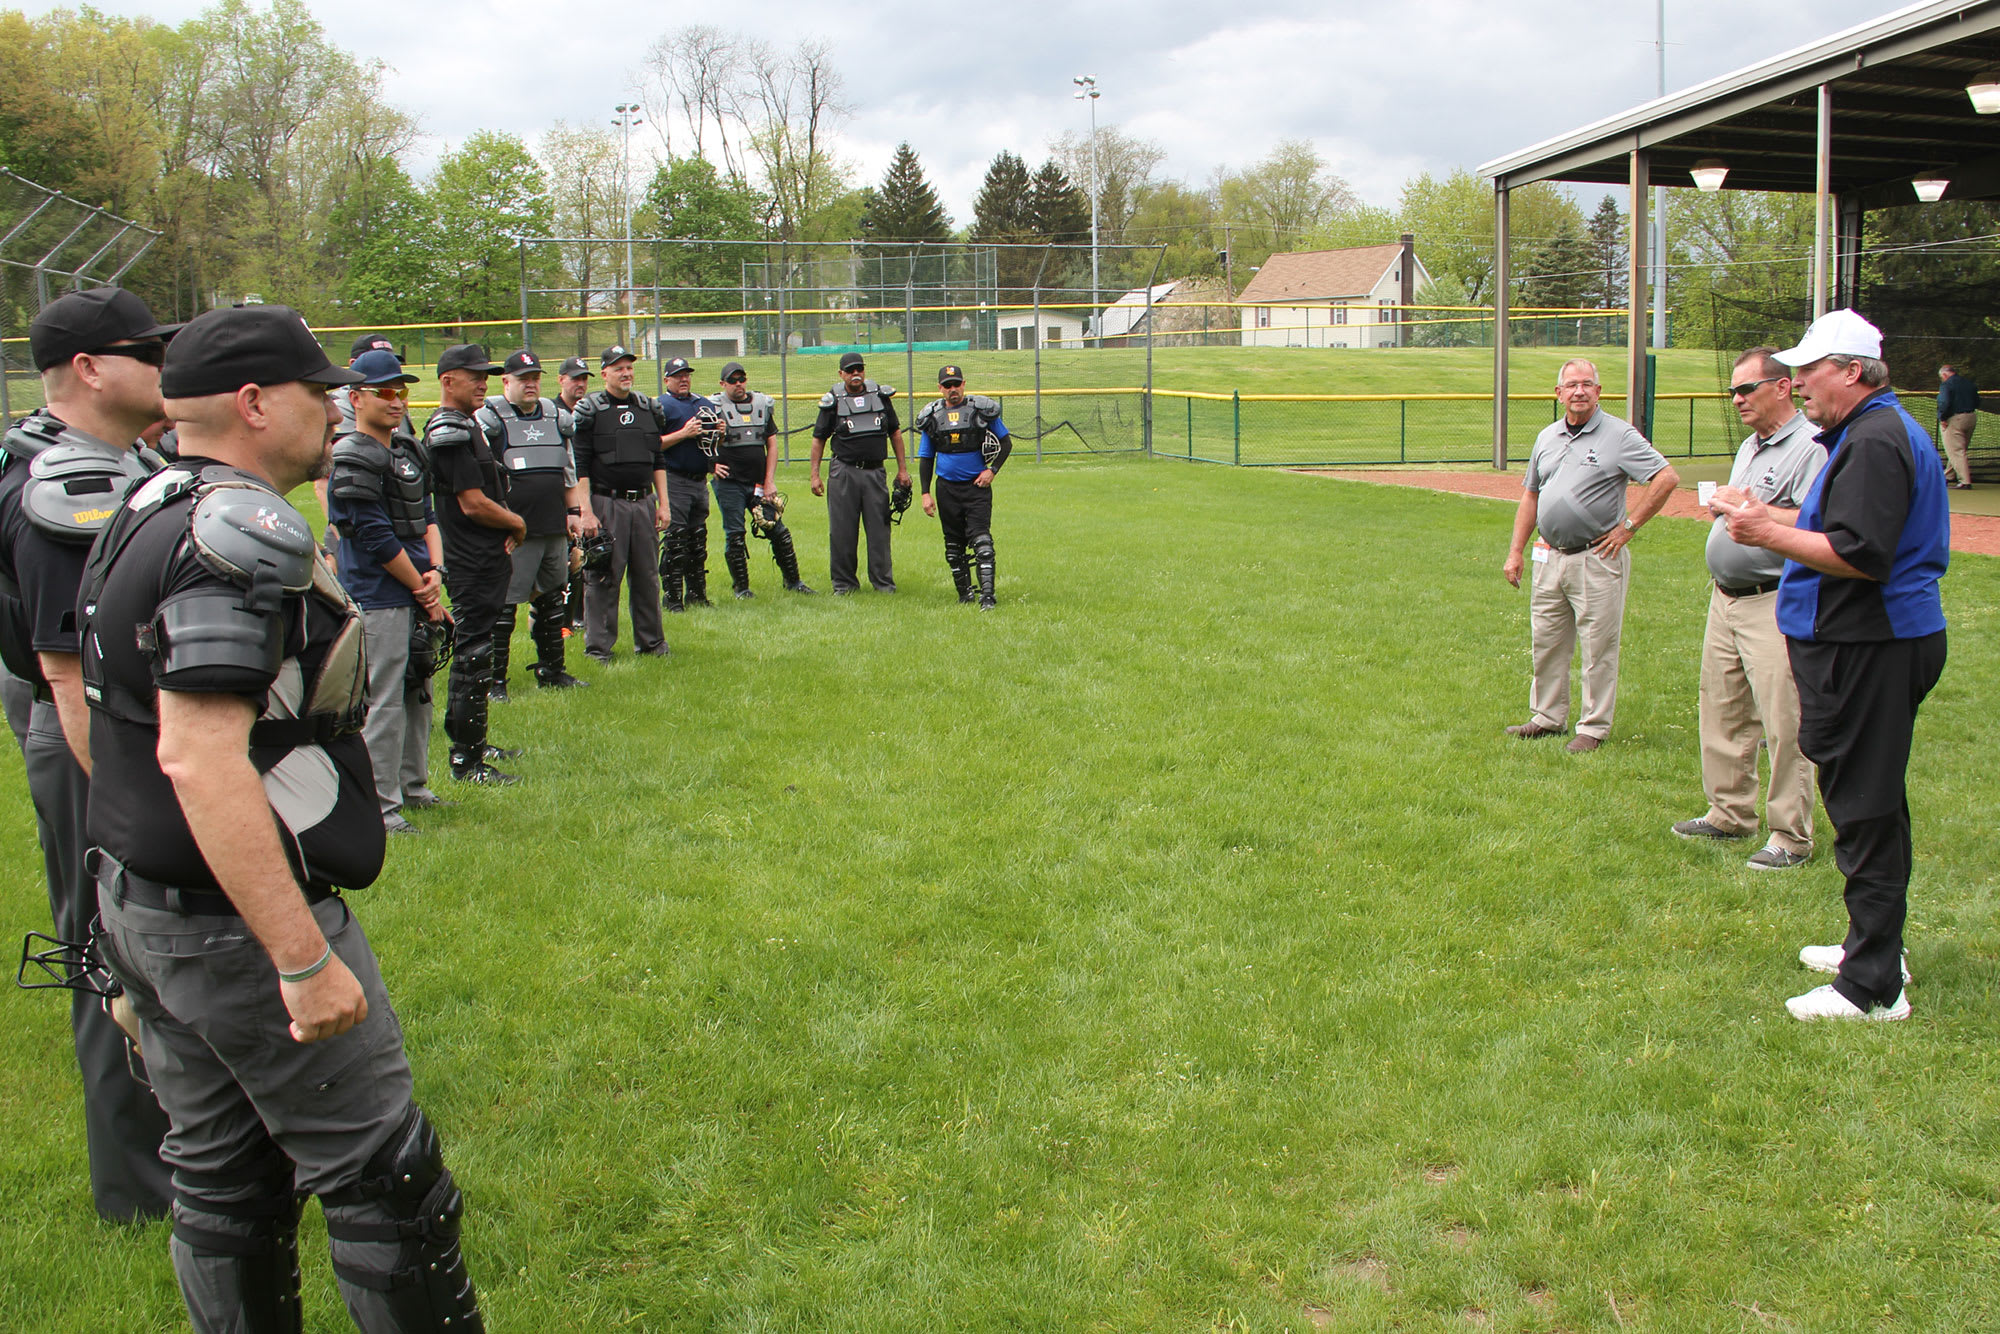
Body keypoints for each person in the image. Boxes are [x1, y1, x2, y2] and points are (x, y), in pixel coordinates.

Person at [83, 303, 484, 1330]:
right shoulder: (237, 530)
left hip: (151, 903)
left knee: (225, 1177)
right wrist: (299, 955)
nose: (337, 409)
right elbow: (195, 751)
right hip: (233, 922)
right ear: (258, 404)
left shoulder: (146, 501)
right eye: (320, 392)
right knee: (386, 1178)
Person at [1714, 309, 1948, 1022]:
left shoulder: (1876, 439)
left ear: (1851, 371)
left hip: (1872, 646)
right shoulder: (1869, 432)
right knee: (1871, 802)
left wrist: (1765, 533)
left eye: (1810, 370)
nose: (1799, 383)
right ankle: (1872, 945)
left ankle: (1872, 987)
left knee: (1866, 807)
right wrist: (1770, 518)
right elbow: (1841, 532)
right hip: (1870, 643)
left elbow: (1860, 555)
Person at [0, 286, 175, 1221]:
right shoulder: (67, 482)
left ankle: (184, 1150)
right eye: (145, 352)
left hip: (110, 728)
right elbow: (69, 676)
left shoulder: (110, 459)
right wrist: (128, 811)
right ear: (88, 369)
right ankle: (143, 1191)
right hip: (91, 740)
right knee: (115, 950)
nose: (162, 368)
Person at [1672, 348, 1827, 870]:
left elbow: (1816, 521)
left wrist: (1750, 510)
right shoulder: (1750, 446)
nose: (1736, 399)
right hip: (1727, 597)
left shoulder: (1811, 447)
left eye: (1746, 389)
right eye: (1733, 391)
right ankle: (1729, 813)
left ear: (1782, 387)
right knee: (1723, 707)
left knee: (1786, 719)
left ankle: (1790, 835)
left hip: (1775, 598)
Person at [1502, 358, 1679, 753]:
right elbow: (1531, 494)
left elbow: (1666, 478)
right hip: (1549, 555)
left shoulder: (1619, 435)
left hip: (1596, 557)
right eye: (1571, 384)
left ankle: (1593, 727)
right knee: (1546, 640)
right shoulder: (1547, 437)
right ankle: (1547, 717)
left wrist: (1628, 527)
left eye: (1587, 384)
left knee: (1599, 646)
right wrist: (1516, 551)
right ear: (1559, 393)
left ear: (1598, 392)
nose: (1579, 391)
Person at [326, 348, 449, 834]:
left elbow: (428, 517)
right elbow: (374, 536)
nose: (397, 401)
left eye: (402, 392)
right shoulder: (351, 454)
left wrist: (435, 570)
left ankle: (413, 787)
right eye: (385, 392)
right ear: (356, 398)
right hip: (380, 595)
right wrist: (422, 587)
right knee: (383, 701)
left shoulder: (407, 450)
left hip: (419, 590)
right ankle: (382, 806)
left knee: (419, 690)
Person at [425, 344, 526, 784]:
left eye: (486, 375)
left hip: (487, 554)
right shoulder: (449, 429)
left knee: (480, 650)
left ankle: (477, 742)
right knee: (472, 654)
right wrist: (517, 522)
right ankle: (466, 761)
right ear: (448, 381)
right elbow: (471, 503)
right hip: (471, 557)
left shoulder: (471, 424)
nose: (482, 382)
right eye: (473, 376)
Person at [475, 350, 593, 698]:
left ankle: (552, 670)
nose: (530, 384)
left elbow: (568, 471)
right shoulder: (490, 420)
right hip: (512, 534)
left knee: (552, 601)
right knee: (504, 609)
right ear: (506, 382)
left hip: (553, 527)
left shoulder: (556, 416)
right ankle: (495, 682)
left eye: (534, 378)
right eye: (522, 378)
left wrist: (574, 514)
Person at [571, 344, 671, 662]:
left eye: (629, 367)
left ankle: (652, 643)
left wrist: (663, 504)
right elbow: (580, 465)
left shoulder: (648, 408)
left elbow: (657, 458)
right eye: (618, 368)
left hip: (643, 502)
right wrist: (585, 511)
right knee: (603, 575)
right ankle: (599, 647)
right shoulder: (590, 411)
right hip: (606, 503)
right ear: (604, 374)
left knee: (647, 575)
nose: (625, 373)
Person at [707, 361, 814, 597]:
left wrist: (769, 481)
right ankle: (742, 589)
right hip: (730, 483)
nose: (738, 384)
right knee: (735, 535)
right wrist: (711, 464)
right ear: (723, 383)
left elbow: (772, 444)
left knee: (777, 530)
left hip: (757, 483)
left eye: (741, 379)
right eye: (732, 380)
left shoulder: (761, 405)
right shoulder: (713, 408)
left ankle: (793, 581)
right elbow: (701, 442)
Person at [809, 351, 910, 594]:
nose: (856, 374)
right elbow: (818, 439)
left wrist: (902, 470)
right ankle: (844, 584)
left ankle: (883, 583)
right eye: (850, 370)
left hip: (875, 472)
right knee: (842, 531)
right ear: (841, 374)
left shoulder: (880, 396)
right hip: (844, 471)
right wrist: (815, 475)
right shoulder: (833, 400)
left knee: (879, 531)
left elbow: (895, 433)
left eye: (859, 369)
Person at [915, 364, 1011, 609]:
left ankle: (987, 597)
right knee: (953, 547)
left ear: (964, 384)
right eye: (947, 386)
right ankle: (964, 595)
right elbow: (926, 458)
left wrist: (992, 470)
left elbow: (1006, 442)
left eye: (956, 384)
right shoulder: (931, 418)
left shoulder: (980, 411)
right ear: (940, 388)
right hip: (946, 490)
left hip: (976, 489)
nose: (952, 389)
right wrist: (925, 493)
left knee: (982, 543)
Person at [654, 355, 718, 611]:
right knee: (676, 540)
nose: (684, 379)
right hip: (674, 478)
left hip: (699, 480)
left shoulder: (703, 403)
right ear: (667, 379)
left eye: (687, 375)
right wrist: (683, 433)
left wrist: (719, 433)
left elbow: (713, 443)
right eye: (678, 375)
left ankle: (697, 594)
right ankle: (672, 599)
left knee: (697, 539)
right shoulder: (661, 406)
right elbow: (653, 443)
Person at [556, 356, 593, 630]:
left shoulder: (589, 411)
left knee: (582, 557)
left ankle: (578, 616)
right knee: (566, 558)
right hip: (560, 495)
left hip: (585, 491)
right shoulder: (550, 412)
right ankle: (562, 620)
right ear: (561, 380)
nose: (580, 384)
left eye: (584, 379)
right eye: (574, 379)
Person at [1937, 363, 1978, 489]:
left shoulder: (1947, 384)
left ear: (1944, 374)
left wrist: (1942, 417)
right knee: (1958, 449)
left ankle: (1965, 482)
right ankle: (1947, 476)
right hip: (1971, 417)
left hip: (1955, 419)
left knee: (1956, 451)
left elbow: (1944, 402)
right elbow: (1977, 400)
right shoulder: (1968, 383)